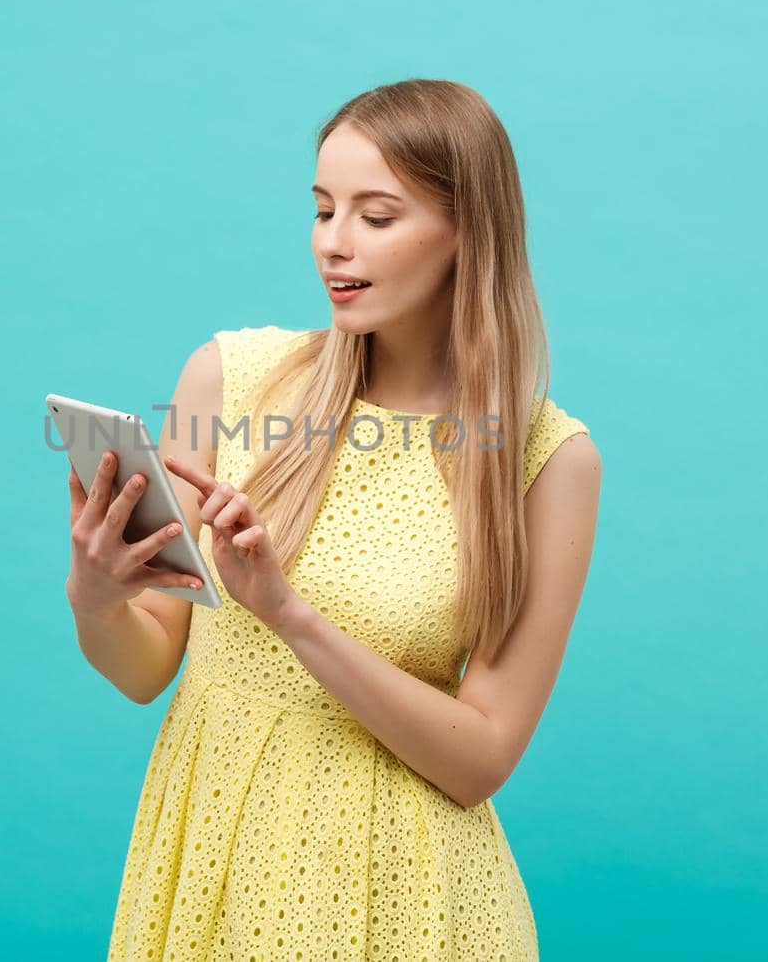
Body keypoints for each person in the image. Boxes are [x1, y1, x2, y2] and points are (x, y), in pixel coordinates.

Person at [64, 78, 603, 961]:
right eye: (323, 210)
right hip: (212, 860)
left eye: (377, 216)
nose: (334, 245)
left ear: (467, 231)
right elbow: (145, 665)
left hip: (410, 898)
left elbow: (482, 758)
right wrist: (94, 595)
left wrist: (288, 613)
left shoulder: (546, 459)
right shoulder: (226, 380)